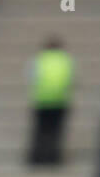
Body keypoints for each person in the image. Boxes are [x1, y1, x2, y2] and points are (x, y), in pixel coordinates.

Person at [27, 37, 74, 166]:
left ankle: (37, 158)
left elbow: (31, 77)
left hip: (41, 100)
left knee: (40, 131)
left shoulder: (39, 59)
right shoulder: (65, 60)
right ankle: (53, 158)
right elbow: (71, 79)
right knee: (55, 132)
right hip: (60, 100)